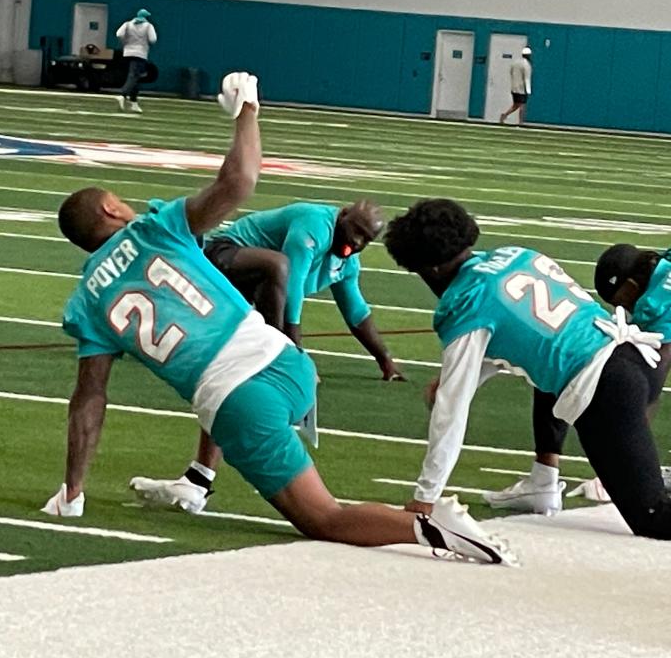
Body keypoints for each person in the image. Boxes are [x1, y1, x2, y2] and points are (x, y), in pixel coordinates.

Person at [40, 73, 512, 565]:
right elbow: (240, 181)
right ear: (112, 208)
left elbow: (89, 399)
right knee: (217, 376)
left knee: (322, 517)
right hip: (288, 365)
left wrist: (73, 489)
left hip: (241, 398)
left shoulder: (87, 303)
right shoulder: (157, 228)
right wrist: (248, 112)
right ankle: (198, 481)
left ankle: (432, 527)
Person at [384, 198, 671, 540]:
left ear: (428, 268)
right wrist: (454, 380)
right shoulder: (517, 255)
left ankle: (546, 479)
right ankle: (542, 480)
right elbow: (530, 340)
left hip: (605, 392)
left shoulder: (465, 304)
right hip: (633, 359)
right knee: (545, 365)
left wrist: (425, 498)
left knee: (655, 518)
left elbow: (451, 413)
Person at [130, 200, 405, 514]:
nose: (357, 242)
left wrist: (385, 359)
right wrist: (290, 347)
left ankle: (199, 479)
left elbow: (356, 310)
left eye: (366, 239)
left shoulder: (345, 262)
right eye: (356, 230)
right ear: (343, 215)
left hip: (256, 289)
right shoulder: (316, 224)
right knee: (278, 269)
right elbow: (292, 283)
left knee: (234, 384)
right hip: (226, 256)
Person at [484, 244, 671, 513]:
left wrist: (630, 465)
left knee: (610, 370)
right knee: (567, 358)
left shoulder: (658, 303)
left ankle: (544, 477)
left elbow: (649, 384)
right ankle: (543, 479)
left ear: (632, 285)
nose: (625, 310)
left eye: (623, 302)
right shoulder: (662, 266)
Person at [115, 8, 157, 114]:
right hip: (140, 53)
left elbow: (119, 34)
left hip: (128, 52)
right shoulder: (148, 26)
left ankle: (134, 102)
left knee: (136, 77)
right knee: (133, 76)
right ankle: (123, 95)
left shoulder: (128, 24)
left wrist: (125, 42)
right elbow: (153, 39)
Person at [500, 46, 532, 125]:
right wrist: (528, 90)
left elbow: (511, 72)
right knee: (522, 105)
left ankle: (504, 115)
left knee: (516, 105)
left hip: (514, 87)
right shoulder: (527, 65)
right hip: (521, 88)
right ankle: (520, 122)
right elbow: (527, 78)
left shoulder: (515, 63)